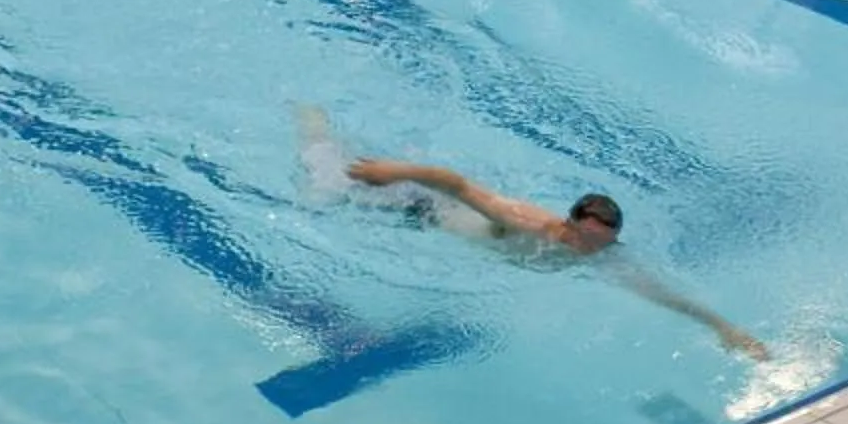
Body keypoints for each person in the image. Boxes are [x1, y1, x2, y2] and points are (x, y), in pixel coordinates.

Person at [323, 128, 771, 360]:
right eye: (587, 238)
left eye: (604, 241)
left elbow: (662, 294)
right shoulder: (527, 224)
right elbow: (454, 183)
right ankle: (316, 128)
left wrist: (723, 327)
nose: (593, 250)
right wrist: (393, 171)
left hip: (429, 225)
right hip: (416, 209)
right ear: (569, 223)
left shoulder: (603, 252)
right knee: (326, 177)